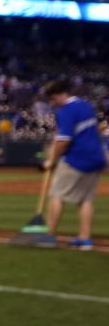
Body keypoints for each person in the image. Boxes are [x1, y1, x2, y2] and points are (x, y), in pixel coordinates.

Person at [42, 79, 105, 250]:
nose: (53, 104)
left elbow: (64, 142)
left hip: (77, 158)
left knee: (56, 195)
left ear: (58, 95)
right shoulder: (86, 105)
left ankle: (49, 237)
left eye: (53, 100)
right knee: (85, 199)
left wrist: (52, 161)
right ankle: (85, 240)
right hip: (97, 157)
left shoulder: (66, 111)